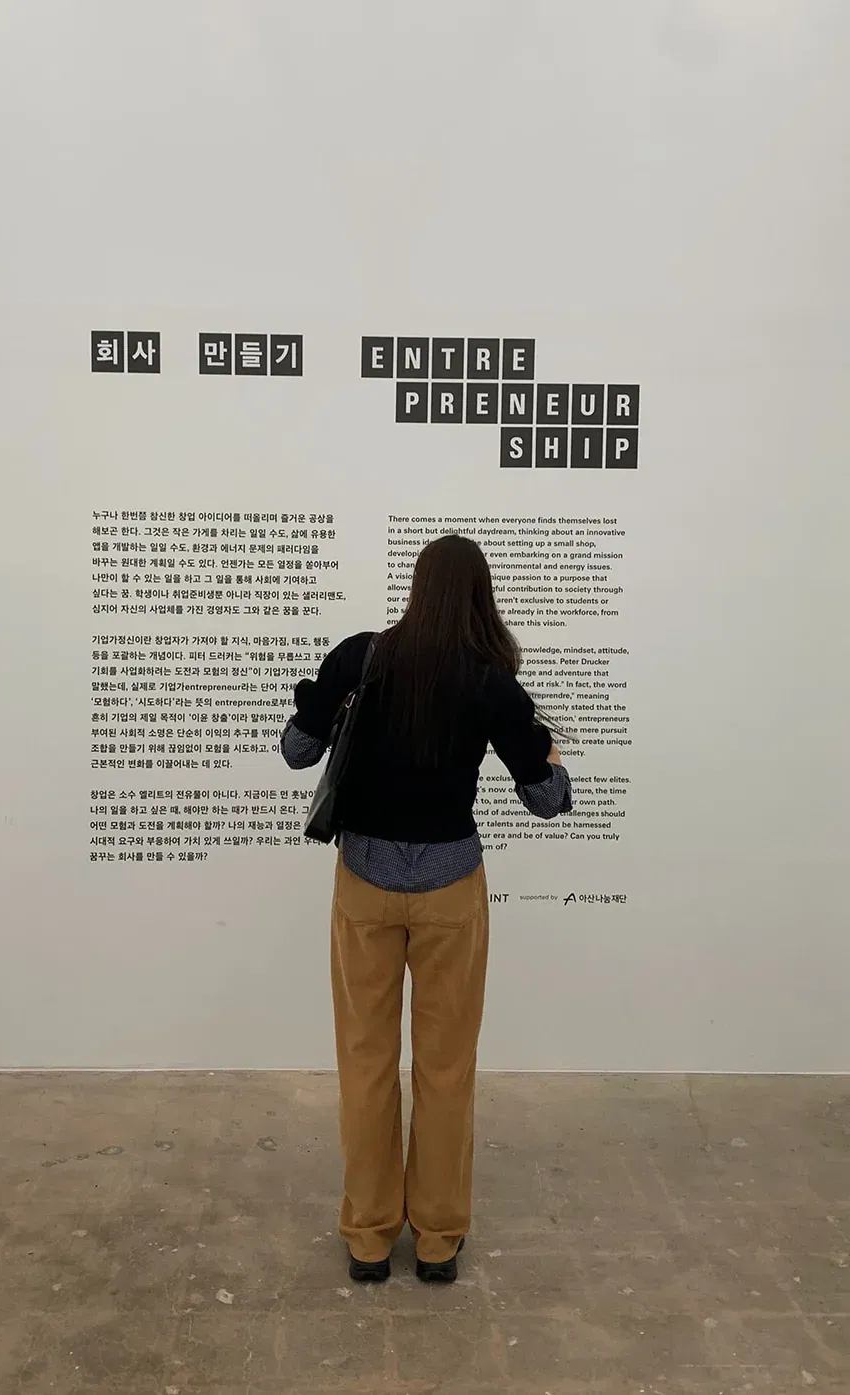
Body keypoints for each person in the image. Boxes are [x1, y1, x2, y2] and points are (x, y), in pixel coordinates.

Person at [280, 533, 571, 1285]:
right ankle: (438, 1240)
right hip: (450, 884)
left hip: (365, 879)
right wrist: (549, 754)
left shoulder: (362, 656)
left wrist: (326, 707)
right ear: (479, 597)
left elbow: (296, 752)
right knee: (445, 1066)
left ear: (415, 588)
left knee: (366, 1059)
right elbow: (548, 799)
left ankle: (369, 1237)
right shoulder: (490, 681)